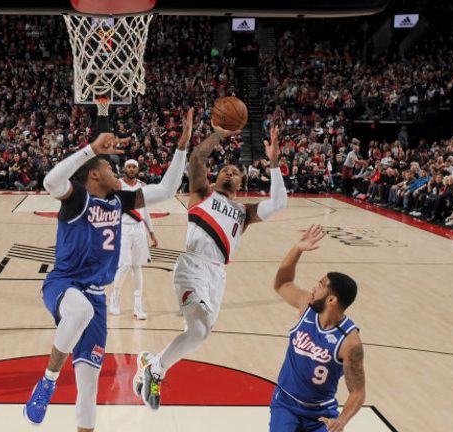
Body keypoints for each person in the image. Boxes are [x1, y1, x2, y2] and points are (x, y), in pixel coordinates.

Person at [23, 109, 194, 432]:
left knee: (89, 387)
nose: (117, 172)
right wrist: (91, 150)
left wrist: (182, 147)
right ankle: (47, 383)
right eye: (109, 167)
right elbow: (50, 181)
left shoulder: (119, 201)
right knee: (80, 310)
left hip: (96, 300)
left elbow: (168, 190)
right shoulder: (77, 200)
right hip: (64, 284)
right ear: (94, 175)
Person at [136, 125, 286, 410]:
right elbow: (195, 159)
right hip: (192, 265)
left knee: (200, 334)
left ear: (241, 183)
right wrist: (218, 135)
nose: (230, 173)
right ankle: (156, 371)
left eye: (235, 172)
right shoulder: (202, 193)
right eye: (225, 170)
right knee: (196, 328)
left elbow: (279, 203)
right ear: (216, 178)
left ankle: (152, 362)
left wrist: (275, 162)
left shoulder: (245, 214)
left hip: (217, 275)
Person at [270, 224, 365, 432]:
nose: (314, 288)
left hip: (320, 413)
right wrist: (298, 249)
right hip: (286, 404)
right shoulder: (307, 306)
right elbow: (282, 283)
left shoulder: (349, 342)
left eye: (320, 285)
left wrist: (341, 421)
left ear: (331, 299)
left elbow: (358, 392)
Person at [109, 159, 159, 320]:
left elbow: (145, 211)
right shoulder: (117, 185)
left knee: (137, 267)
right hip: (123, 227)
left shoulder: (142, 186)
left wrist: (151, 232)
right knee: (124, 265)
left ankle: (138, 306)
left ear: (138, 169)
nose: (131, 169)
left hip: (139, 229)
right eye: (129, 166)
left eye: (134, 167)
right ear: (124, 168)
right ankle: (114, 297)